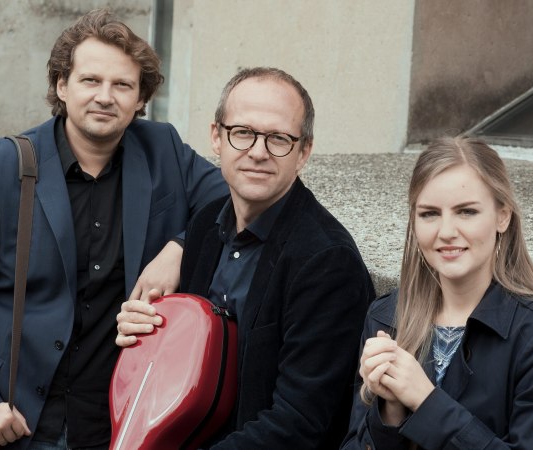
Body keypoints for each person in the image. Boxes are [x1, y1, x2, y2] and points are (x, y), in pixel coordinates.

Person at [0, 8, 227, 450]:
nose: (105, 96)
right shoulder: (1, 168)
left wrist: (179, 247)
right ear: (62, 86)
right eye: (90, 80)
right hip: (16, 422)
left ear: (140, 99)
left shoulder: (163, 150)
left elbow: (234, 201)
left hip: (120, 421)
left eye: (122, 85)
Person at [116, 67, 374, 449]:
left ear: (304, 152)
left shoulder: (327, 263)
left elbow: (301, 422)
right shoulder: (205, 226)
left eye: (278, 139)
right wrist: (147, 340)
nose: (258, 152)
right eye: (244, 133)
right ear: (217, 138)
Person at [342, 136, 533, 449]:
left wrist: (426, 401)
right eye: (429, 213)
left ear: (502, 216)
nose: (446, 232)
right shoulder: (388, 317)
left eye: (466, 212)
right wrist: (389, 412)